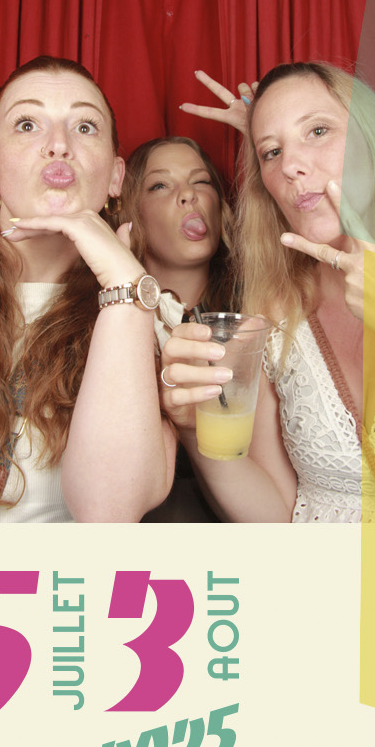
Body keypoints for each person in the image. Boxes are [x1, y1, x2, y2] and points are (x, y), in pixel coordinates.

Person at [162, 62, 375, 522]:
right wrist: (194, 425)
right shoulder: (275, 310)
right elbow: (276, 514)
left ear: (373, 137)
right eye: (271, 152)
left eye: (318, 131)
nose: (290, 166)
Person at [0, 58, 172, 523]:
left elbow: (109, 512)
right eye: (27, 124)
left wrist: (124, 286)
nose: (58, 145)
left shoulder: (155, 316)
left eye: (85, 127)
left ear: (115, 178)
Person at [121, 135, 234, 522]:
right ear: (131, 214)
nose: (189, 195)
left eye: (201, 181)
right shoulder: (106, 327)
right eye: (160, 185)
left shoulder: (258, 321)